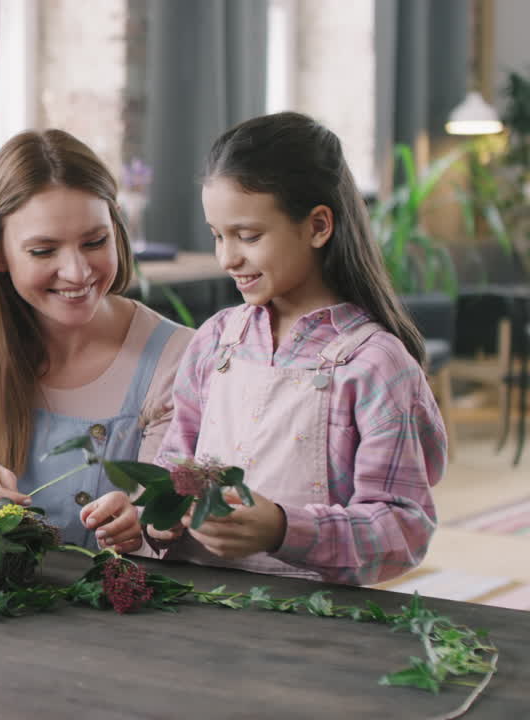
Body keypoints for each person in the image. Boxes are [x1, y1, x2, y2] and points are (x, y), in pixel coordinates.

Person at [149, 111, 446, 584]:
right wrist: (149, 514)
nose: (228, 258)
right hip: (195, 607)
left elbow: (403, 530)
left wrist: (283, 529)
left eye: (249, 236)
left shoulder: (376, 365)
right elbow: (175, 469)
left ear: (318, 226)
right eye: (217, 236)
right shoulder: (215, 341)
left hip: (310, 625)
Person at [0, 129, 193, 553]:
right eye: (43, 251)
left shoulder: (175, 355)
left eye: (95, 242)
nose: (76, 272)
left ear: (117, 231)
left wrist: (141, 525)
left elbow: (167, 533)